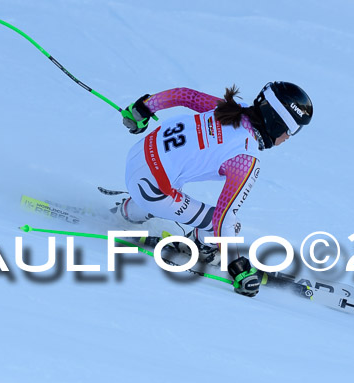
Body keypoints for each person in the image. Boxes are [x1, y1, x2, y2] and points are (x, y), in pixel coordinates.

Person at [118, 82, 313, 297]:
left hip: (139, 152)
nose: (288, 137)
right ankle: (202, 248)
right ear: (277, 122)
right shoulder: (245, 158)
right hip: (152, 187)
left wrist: (143, 109)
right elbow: (223, 218)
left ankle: (126, 212)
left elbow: (185, 95)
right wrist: (236, 267)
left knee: (172, 177)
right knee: (226, 225)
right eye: (292, 129)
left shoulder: (233, 108)